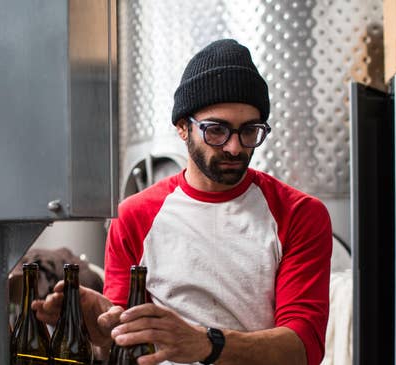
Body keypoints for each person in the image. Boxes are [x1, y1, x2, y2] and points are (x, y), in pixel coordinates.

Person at [33, 39, 332, 365]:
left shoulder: (299, 213)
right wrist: (98, 324)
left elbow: (304, 347)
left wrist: (207, 344)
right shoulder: (135, 215)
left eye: (249, 131)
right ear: (182, 128)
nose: (234, 147)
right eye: (216, 130)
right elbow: (118, 341)